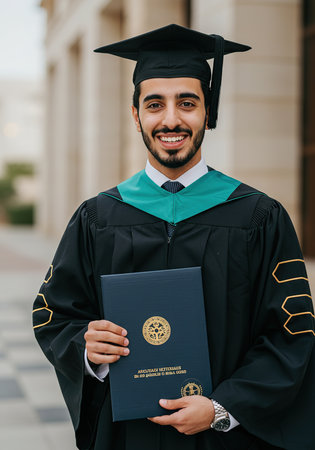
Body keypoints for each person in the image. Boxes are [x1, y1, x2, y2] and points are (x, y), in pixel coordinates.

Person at [33, 24, 315, 450]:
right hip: (131, 435)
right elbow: (54, 314)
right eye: (154, 104)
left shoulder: (259, 217)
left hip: (228, 437)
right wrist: (88, 349)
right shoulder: (97, 218)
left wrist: (222, 408)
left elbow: (291, 334)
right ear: (135, 114)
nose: (170, 119)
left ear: (208, 112)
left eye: (187, 103)